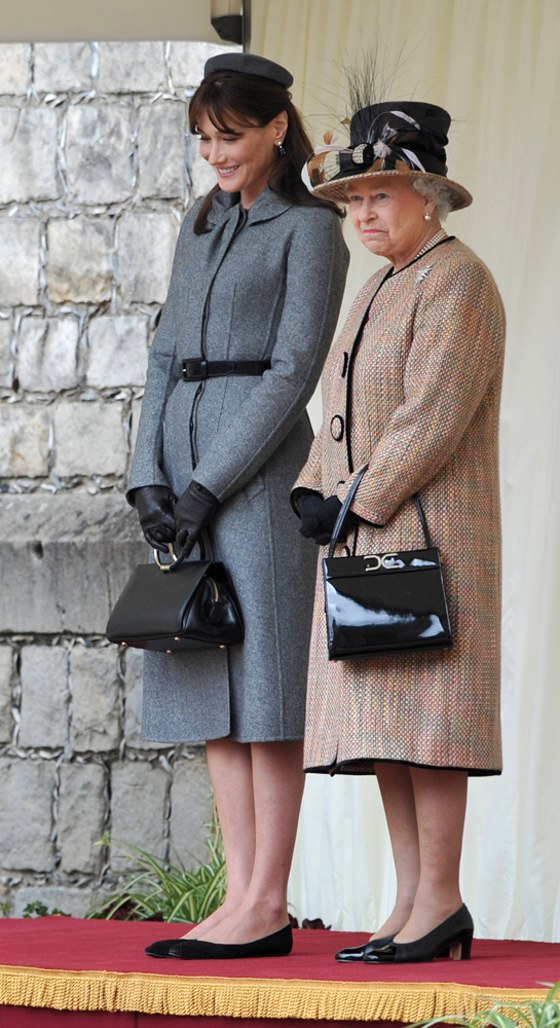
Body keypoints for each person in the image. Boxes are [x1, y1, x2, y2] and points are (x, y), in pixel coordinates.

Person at [128, 52, 349, 960]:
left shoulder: (313, 231)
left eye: (230, 136)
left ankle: (267, 902)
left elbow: (293, 372)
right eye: (204, 140)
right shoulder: (201, 220)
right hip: (181, 474)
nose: (215, 155)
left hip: (255, 485)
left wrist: (208, 484)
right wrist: (146, 474)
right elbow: (162, 353)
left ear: (276, 129)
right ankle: (237, 899)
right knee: (203, 681)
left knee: (264, 691)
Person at [292, 99, 505, 964]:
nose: (364, 213)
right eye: (355, 200)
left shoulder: (459, 280)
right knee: (388, 729)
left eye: (380, 195)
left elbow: (432, 416)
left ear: (429, 195)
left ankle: (441, 900)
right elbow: (339, 413)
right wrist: (314, 487)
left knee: (431, 728)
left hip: (433, 534)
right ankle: (411, 902)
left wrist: (354, 499)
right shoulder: (378, 285)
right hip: (371, 532)